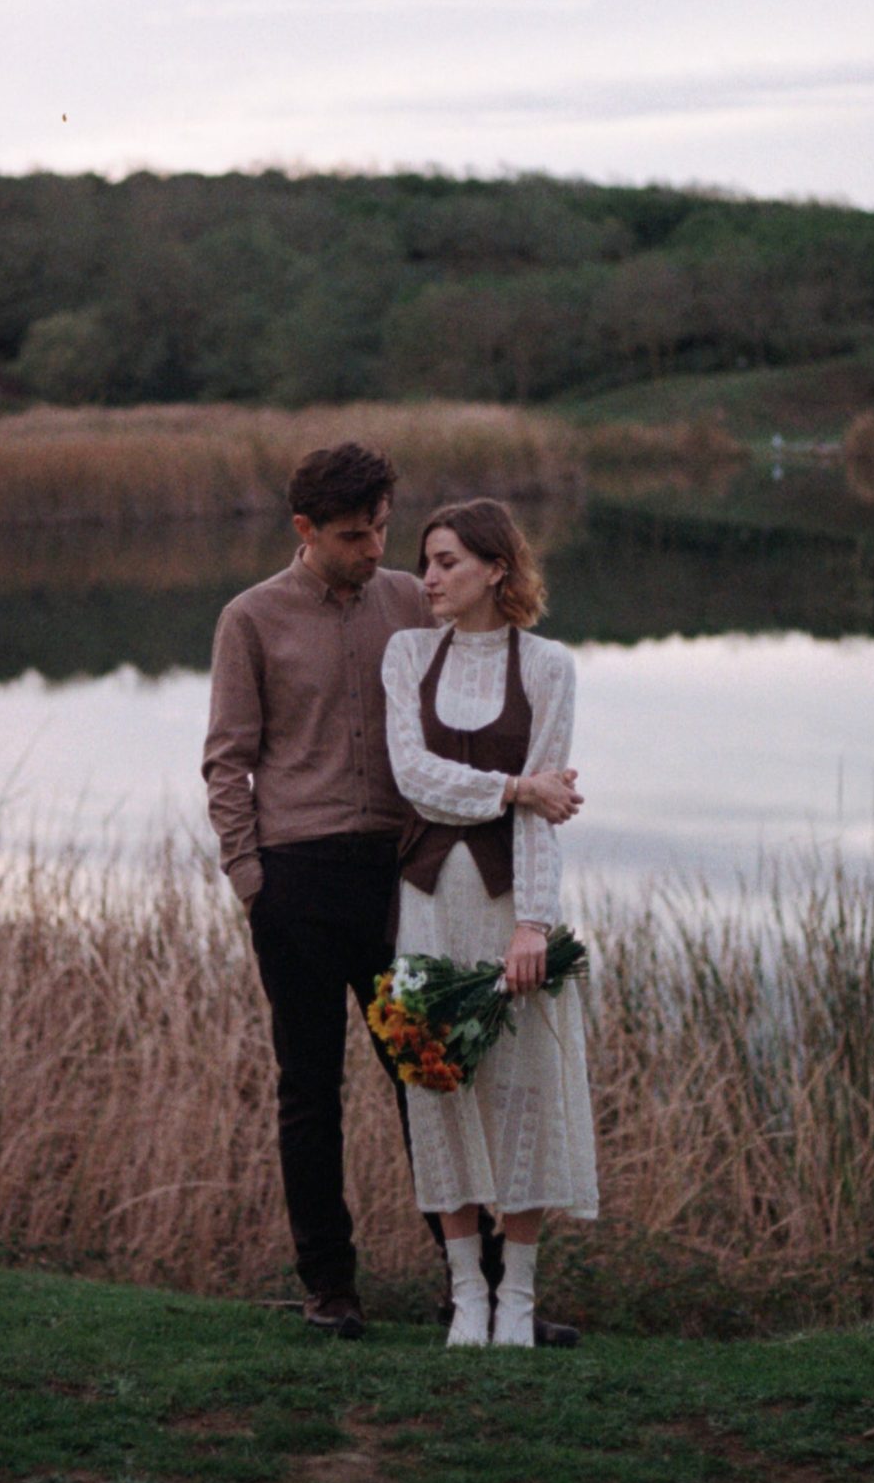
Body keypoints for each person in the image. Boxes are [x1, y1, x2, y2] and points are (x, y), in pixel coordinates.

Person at [202, 441, 429, 1337]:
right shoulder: (249, 619)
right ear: (304, 530)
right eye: (352, 535)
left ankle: (476, 1286)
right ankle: (329, 1290)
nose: (374, 548)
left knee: (428, 1077)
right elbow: (228, 761)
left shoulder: (415, 600)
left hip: (398, 880)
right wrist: (251, 880)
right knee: (310, 1091)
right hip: (295, 883)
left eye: (381, 528)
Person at [382, 498, 597, 1348]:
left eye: (446, 563)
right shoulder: (406, 654)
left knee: (525, 1090)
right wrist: (513, 788)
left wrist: (534, 926)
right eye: (425, 561)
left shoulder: (548, 667)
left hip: (512, 903)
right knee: (439, 1085)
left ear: (496, 570)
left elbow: (548, 815)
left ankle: (518, 1298)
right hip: (428, 904)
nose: (427, 578)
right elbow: (414, 777)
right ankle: (466, 1292)